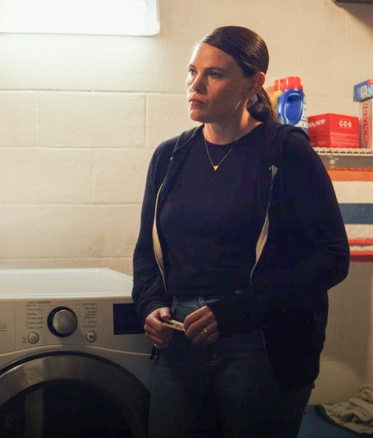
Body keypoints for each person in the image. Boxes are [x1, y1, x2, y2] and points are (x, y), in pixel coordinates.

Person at [132, 26, 350, 438]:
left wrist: (236, 312)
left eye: (213, 75)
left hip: (260, 343)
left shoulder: (286, 152)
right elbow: (147, 251)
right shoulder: (170, 156)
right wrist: (149, 305)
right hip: (179, 342)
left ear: (254, 83)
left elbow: (332, 258)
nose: (195, 85)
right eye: (191, 71)